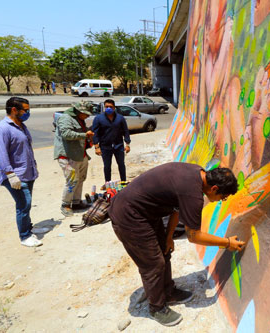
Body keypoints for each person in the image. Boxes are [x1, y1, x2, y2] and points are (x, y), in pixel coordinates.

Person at [108, 163, 245, 326]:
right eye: (222, 198)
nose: (221, 201)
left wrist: (168, 237)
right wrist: (227, 242)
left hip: (145, 211)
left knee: (164, 251)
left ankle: (168, 292)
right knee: (153, 264)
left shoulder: (197, 173)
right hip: (129, 216)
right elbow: (194, 236)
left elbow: (177, 207)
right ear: (214, 188)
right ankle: (157, 308)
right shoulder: (193, 195)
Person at [0, 97, 49, 247]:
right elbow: (0, 154)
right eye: (25, 110)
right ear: (14, 110)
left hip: (27, 173)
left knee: (26, 204)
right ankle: (24, 236)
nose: (27, 113)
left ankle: (29, 228)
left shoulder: (21, 126)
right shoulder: (2, 129)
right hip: (15, 176)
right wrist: (10, 175)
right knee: (23, 204)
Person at [54, 101, 94, 217]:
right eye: (86, 114)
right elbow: (66, 134)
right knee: (72, 181)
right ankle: (65, 204)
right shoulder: (66, 118)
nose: (87, 116)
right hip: (68, 156)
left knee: (80, 178)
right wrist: (84, 135)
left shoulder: (79, 119)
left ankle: (76, 202)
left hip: (79, 154)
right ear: (79, 111)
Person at [92, 99, 130, 183]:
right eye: (106, 107)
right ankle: (108, 183)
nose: (108, 108)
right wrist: (96, 147)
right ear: (104, 107)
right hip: (105, 147)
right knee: (107, 166)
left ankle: (123, 182)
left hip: (118, 146)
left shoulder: (120, 118)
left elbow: (125, 131)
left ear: (114, 107)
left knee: (121, 164)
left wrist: (127, 144)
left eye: (110, 107)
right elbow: (95, 133)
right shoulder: (98, 118)